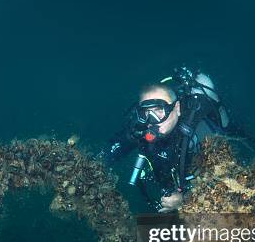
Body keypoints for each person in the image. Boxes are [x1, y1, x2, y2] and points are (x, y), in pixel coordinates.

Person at [100, 66, 234, 212]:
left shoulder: (201, 132)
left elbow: (224, 182)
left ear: (176, 108)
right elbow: (112, 151)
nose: (153, 120)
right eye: (146, 113)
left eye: (159, 110)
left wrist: (186, 199)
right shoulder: (143, 127)